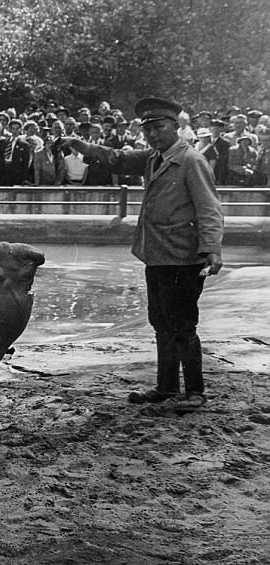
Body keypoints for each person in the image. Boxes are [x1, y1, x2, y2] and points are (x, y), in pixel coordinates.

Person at [61, 97, 224, 414]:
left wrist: (212, 249)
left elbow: (210, 210)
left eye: (159, 128)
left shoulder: (192, 161)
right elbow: (116, 158)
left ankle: (195, 391)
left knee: (182, 325)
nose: (153, 135)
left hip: (183, 257)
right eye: (148, 129)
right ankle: (166, 387)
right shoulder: (154, 158)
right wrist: (79, 144)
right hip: (157, 254)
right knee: (160, 323)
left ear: (176, 128)